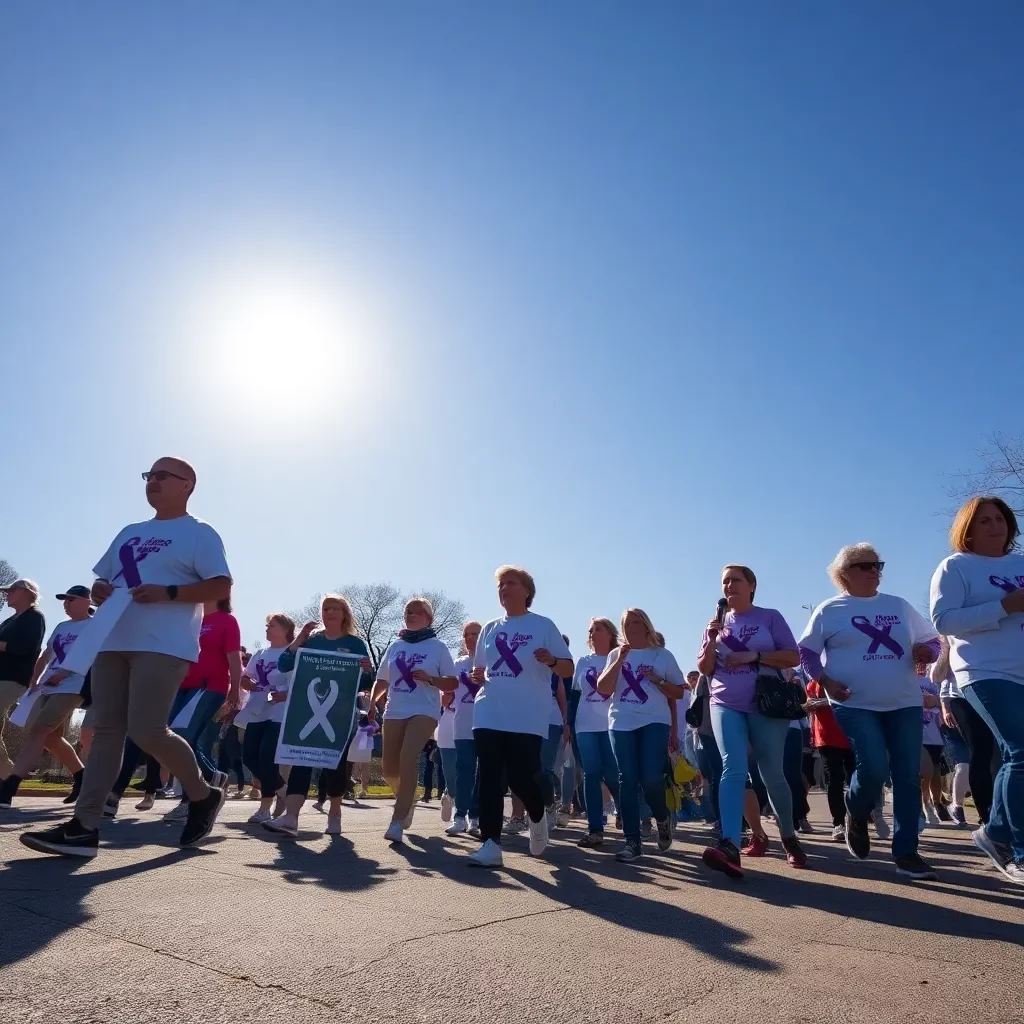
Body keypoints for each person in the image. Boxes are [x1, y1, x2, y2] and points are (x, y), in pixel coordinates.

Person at [21, 457, 233, 858]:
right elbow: (105, 577)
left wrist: (168, 593)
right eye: (148, 476)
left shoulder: (199, 534)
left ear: (188, 484)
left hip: (164, 643)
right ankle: (84, 827)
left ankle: (202, 794)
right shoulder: (130, 532)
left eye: (162, 476)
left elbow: (220, 585)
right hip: (112, 638)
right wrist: (100, 589)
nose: (152, 482)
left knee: (148, 730)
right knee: (105, 730)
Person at [799, 543, 941, 881]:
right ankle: (856, 810)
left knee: (907, 775)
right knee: (874, 766)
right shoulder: (829, 610)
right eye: (865, 566)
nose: (874, 571)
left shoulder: (899, 606)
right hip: (854, 702)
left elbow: (933, 643)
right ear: (844, 573)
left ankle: (906, 851)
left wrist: (925, 651)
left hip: (904, 701)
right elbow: (806, 653)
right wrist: (825, 681)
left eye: (878, 565)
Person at [930, 495, 1024, 885]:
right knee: (1021, 749)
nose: (994, 525)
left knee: (1012, 756)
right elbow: (944, 619)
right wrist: (1005, 605)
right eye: (983, 520)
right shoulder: (956, 567)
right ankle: (1018, 851)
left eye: (1000, 518)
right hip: (984, 671)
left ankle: (995, 832)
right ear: (967, 529)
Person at [697, 565, 807, 879]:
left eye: (735, 580)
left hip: (765, 704)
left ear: (751, 586)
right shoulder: (715, 624)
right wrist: (710, 638)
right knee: (733, 766)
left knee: (772, 774)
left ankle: (788, 836)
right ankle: (730, 843)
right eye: (724, 581)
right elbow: (705, 668)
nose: (729, 585)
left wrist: (754, 657)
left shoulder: (769, 617)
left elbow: (792, 656)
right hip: (725, 703)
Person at [466, 566, 573, 868]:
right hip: (488, 710)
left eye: (510, 583)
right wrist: (478, 676)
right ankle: (491, 843)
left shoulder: (543, 626)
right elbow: (483, 670)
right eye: (500, 584)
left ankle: (537, 815)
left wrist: (551, 660)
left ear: (527, 591)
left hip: (527, 714)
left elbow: (567, 669)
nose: (504, 588)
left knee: (520, 777)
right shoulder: (490, 628)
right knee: (488, 775)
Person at [264, 594, 373, 837]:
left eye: (335, 608)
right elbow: (284, 665)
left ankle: (335, 813)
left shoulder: (355, 644)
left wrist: (367, 671)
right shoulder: (312, 640)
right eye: (326, 608)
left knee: (334, 765)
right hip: (306, 710)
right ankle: (291, 817)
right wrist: (300, 639)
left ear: (345, 613)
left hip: (341, 713)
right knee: (301, 761)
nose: (330, 612)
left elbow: (365, 681)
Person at [597, 609, 684, 862]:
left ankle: (662, 816)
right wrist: (618, 661)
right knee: (627, 779)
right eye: (627, 624)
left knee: (650, 779)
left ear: (646, 626)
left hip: (654, 721)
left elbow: (678, 692)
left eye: (636, 623)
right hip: (621, 721)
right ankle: (632, 841)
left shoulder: (662, 655)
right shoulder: (616, 654)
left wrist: (657, 681)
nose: (631, 628)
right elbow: (603, 689)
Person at [368, 597, 457, 843]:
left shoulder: (437, 647)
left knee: (408, 757)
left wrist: (431, 679)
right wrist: (374, 702)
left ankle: (397, 821)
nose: (412, 615)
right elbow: (383, 679)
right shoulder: (396, 646)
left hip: (424, 711)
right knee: (389, 770)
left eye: (418, 612)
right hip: (395, 710)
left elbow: (453, 682)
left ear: (429, 618)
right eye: (408, 611)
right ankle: (408, 800)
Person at [0, 585, 92, 805]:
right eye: (64, 600)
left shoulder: (94, 626)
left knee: (39, 730)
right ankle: (82, 777)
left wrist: (63, 673)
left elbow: (89, 655)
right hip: (48, 686)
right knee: (50, 738)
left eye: (71, 600)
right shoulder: (62, 626)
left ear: (87, 602)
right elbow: (46, 654)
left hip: (74, 685)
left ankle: (9, 786)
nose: (66, 604)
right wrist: (35, 679)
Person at [159, 598, 242, 822]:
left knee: (185, 738)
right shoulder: (192, 620)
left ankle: (191, 799)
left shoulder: (227, 621)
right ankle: (213, 776)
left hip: (209, 686)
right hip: (182, 686)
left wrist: (234, 689)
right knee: (167, 737)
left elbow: (234, 658)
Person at [933, 634, 997, 826]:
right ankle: (984, 814)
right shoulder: (952, 641)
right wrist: (945, 707)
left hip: (989, 696)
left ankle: (997, 810)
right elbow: (938, 678)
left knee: (996, 756)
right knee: (976, 753)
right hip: (960, 698)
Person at [239, 614, 295, 827]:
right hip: (257, 710)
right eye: (267, 625)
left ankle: (264, 809)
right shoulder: (261, 653)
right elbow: (246, 677)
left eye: (272, 625)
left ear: (285, 629)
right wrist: (247, 683)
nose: (267, 628)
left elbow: (300, 682)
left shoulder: (292, 653)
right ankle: (283, 791)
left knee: (267, 757)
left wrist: (286, 694)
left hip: (279, 712)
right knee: (250, 758)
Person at [573, 617, 621, 848]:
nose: (592, 633)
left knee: (613, 775)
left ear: (610, 633)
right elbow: (575, 694)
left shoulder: (620, 657)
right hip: (586, 725)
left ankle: (627, 814)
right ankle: (594, 828)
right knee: (591, 775)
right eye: (590, 630)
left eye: (598, 629)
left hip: (613, 724)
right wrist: (569, 724)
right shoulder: (583, 661)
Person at [0, 579, 46, 780]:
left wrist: (2, 645)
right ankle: (6, 775)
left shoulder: (34, 617)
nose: (7, 593)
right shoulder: (7, 622)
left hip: (14, 678)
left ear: (28, 594)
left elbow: (29, 648)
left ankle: (7, 772)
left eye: (12, 590)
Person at [805, 678, 854, 841]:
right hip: (826, 737)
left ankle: (859, 816)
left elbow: (853, 696)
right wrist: (809, 705)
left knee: (855, 777)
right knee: (834, 778)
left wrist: (826, 701)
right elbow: (807, 704)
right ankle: (838, 823)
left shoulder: (848, 676)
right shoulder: (813, 683)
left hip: (851, 735)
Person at [446, 621, 482, 836]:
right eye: (467, 634)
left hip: (486, 723)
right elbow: (447, 689)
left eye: (475, 634)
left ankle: (476, 817)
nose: (470, 638)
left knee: (482, 773)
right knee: (464, 769)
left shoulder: (493, 663)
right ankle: (460, 816)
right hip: (462, 724)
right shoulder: (457, 664)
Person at [919, 666, 946, 826]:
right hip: (918, 733)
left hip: (936, 733)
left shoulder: (935, 678)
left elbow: (943, 699)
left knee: (936, 771)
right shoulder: (908, 677)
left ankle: (937, 803)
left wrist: (935, 701)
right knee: (924, 772)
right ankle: (925, 804)